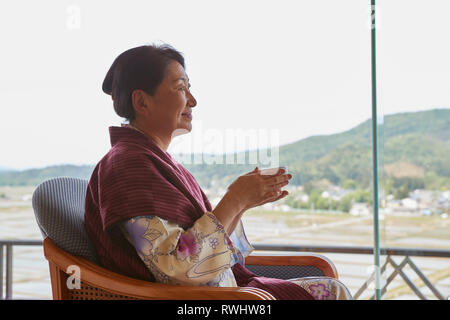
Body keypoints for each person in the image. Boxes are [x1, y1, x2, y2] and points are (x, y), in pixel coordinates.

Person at [84, 44, 352, 300]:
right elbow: (178, 268)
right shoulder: (127, 167)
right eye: (180, 88)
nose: (193, 101)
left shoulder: (153, 162)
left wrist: (242, 204)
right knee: (332, 292)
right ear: (142, 102)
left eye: (190, 88)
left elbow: (207, 252)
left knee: (331, 288)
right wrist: (234, 199)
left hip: (213, 293)